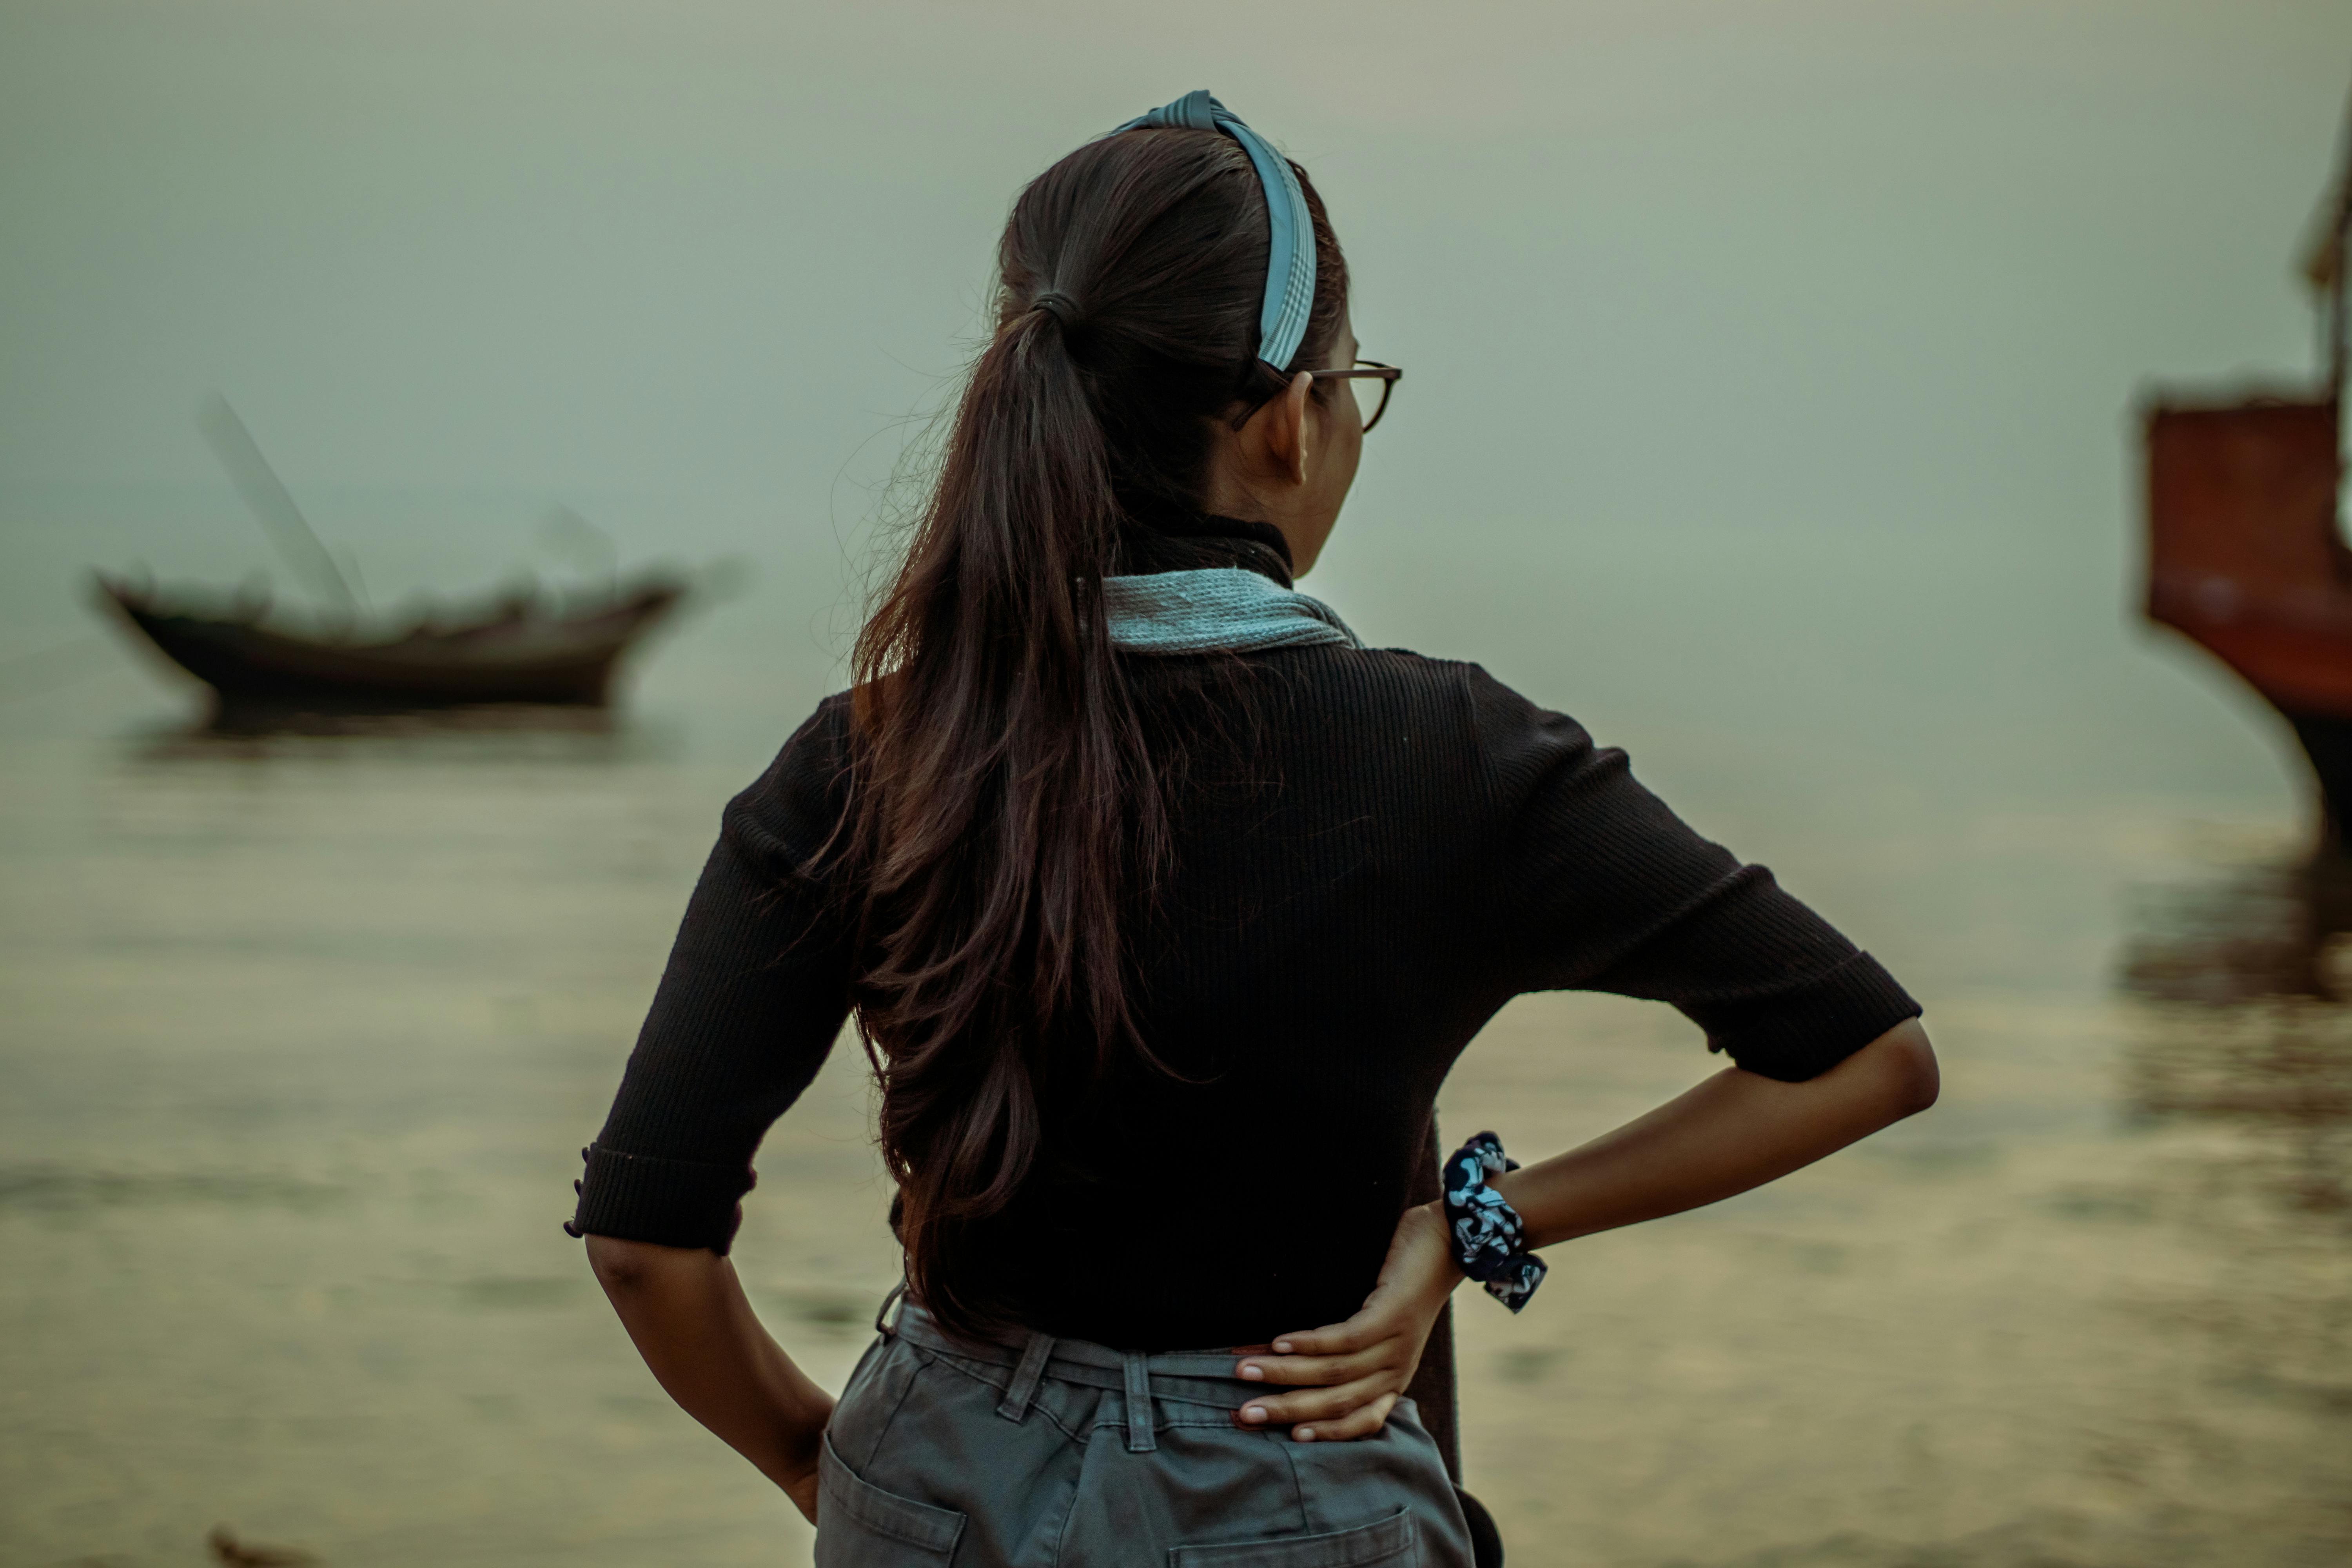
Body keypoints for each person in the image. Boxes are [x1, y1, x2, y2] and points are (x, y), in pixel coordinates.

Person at [568, 90, 1938, 1568]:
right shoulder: (1451, 753)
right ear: (1291, 420)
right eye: (1354, 385)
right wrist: (1473, 1226)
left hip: (933, 1478)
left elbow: (650, 1241)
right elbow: (1868, 1053)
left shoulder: (870, 754)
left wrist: (819, 1468)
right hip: (1291, 1495)